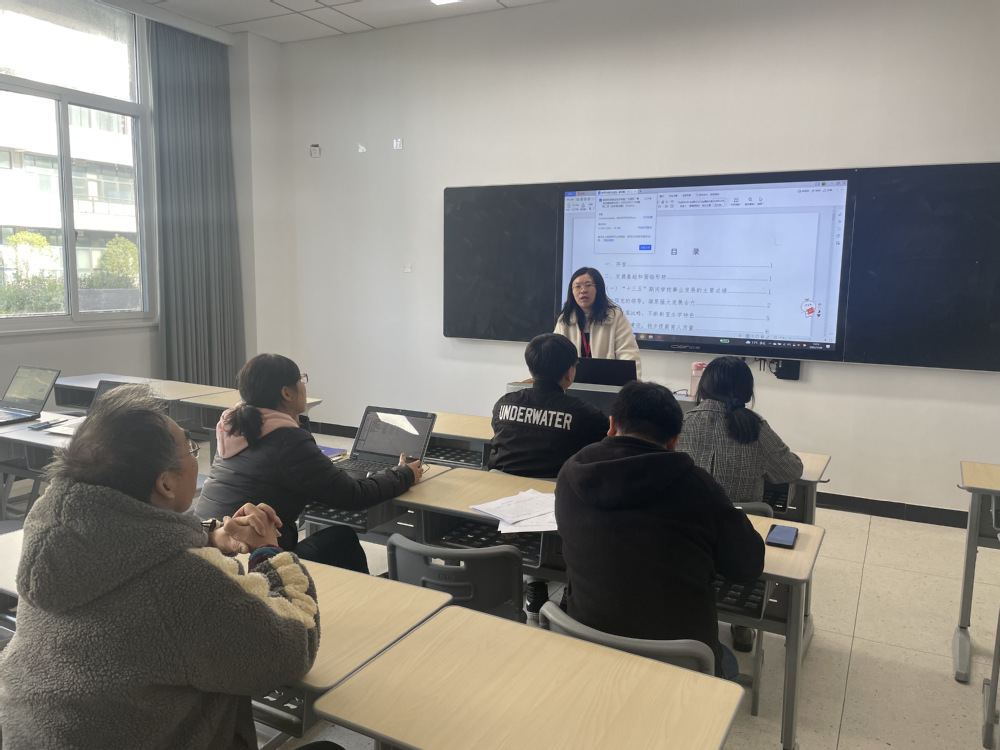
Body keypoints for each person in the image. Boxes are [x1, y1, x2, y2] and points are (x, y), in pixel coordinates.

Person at [0, 384, 326, 750]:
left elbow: (128, 536)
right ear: (166, 483)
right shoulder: (181, 584)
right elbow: (292, 649)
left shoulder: (52, 539)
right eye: (191, 449)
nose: (196, 457)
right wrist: (268, 552)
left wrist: (210, 533)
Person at [555, 380, 764, 678]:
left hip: (587, 644)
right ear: (674, 440)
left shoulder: (570, 472)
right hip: (679, 664)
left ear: (612, 425)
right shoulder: (698, 487)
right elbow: (747, 567)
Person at [197, 353, 423, 573]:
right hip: (254, 562)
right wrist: (403, 474)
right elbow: (354, 495)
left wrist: (296, 423)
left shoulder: (236, 427)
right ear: (287, 393)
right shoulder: (288, 440)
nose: (304, 386)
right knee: (342, 538)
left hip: (209, 546)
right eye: (301, 379)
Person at [676, 355, 802, 652]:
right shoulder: (755, 427)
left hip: (688, 543)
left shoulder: (683, 423)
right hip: (739, 547)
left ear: (704, 386)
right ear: (746, 391)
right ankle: (743, 626)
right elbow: (791, 471)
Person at [488, 332, 609, 479]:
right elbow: (609, 443)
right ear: (569, 372)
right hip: (555, 491)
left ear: (531, 368)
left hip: (500, 487)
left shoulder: (503, 404)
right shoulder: (585, 414)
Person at [554, 266, 642, 378]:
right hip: (573, 383)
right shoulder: (565, 319)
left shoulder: (615, 316)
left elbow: (628, 355)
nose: (583, 290)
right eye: (577, 286)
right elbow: (555, 355)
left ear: (598, 288)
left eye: (588, 285)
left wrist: (631, 386)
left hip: (608, 382)